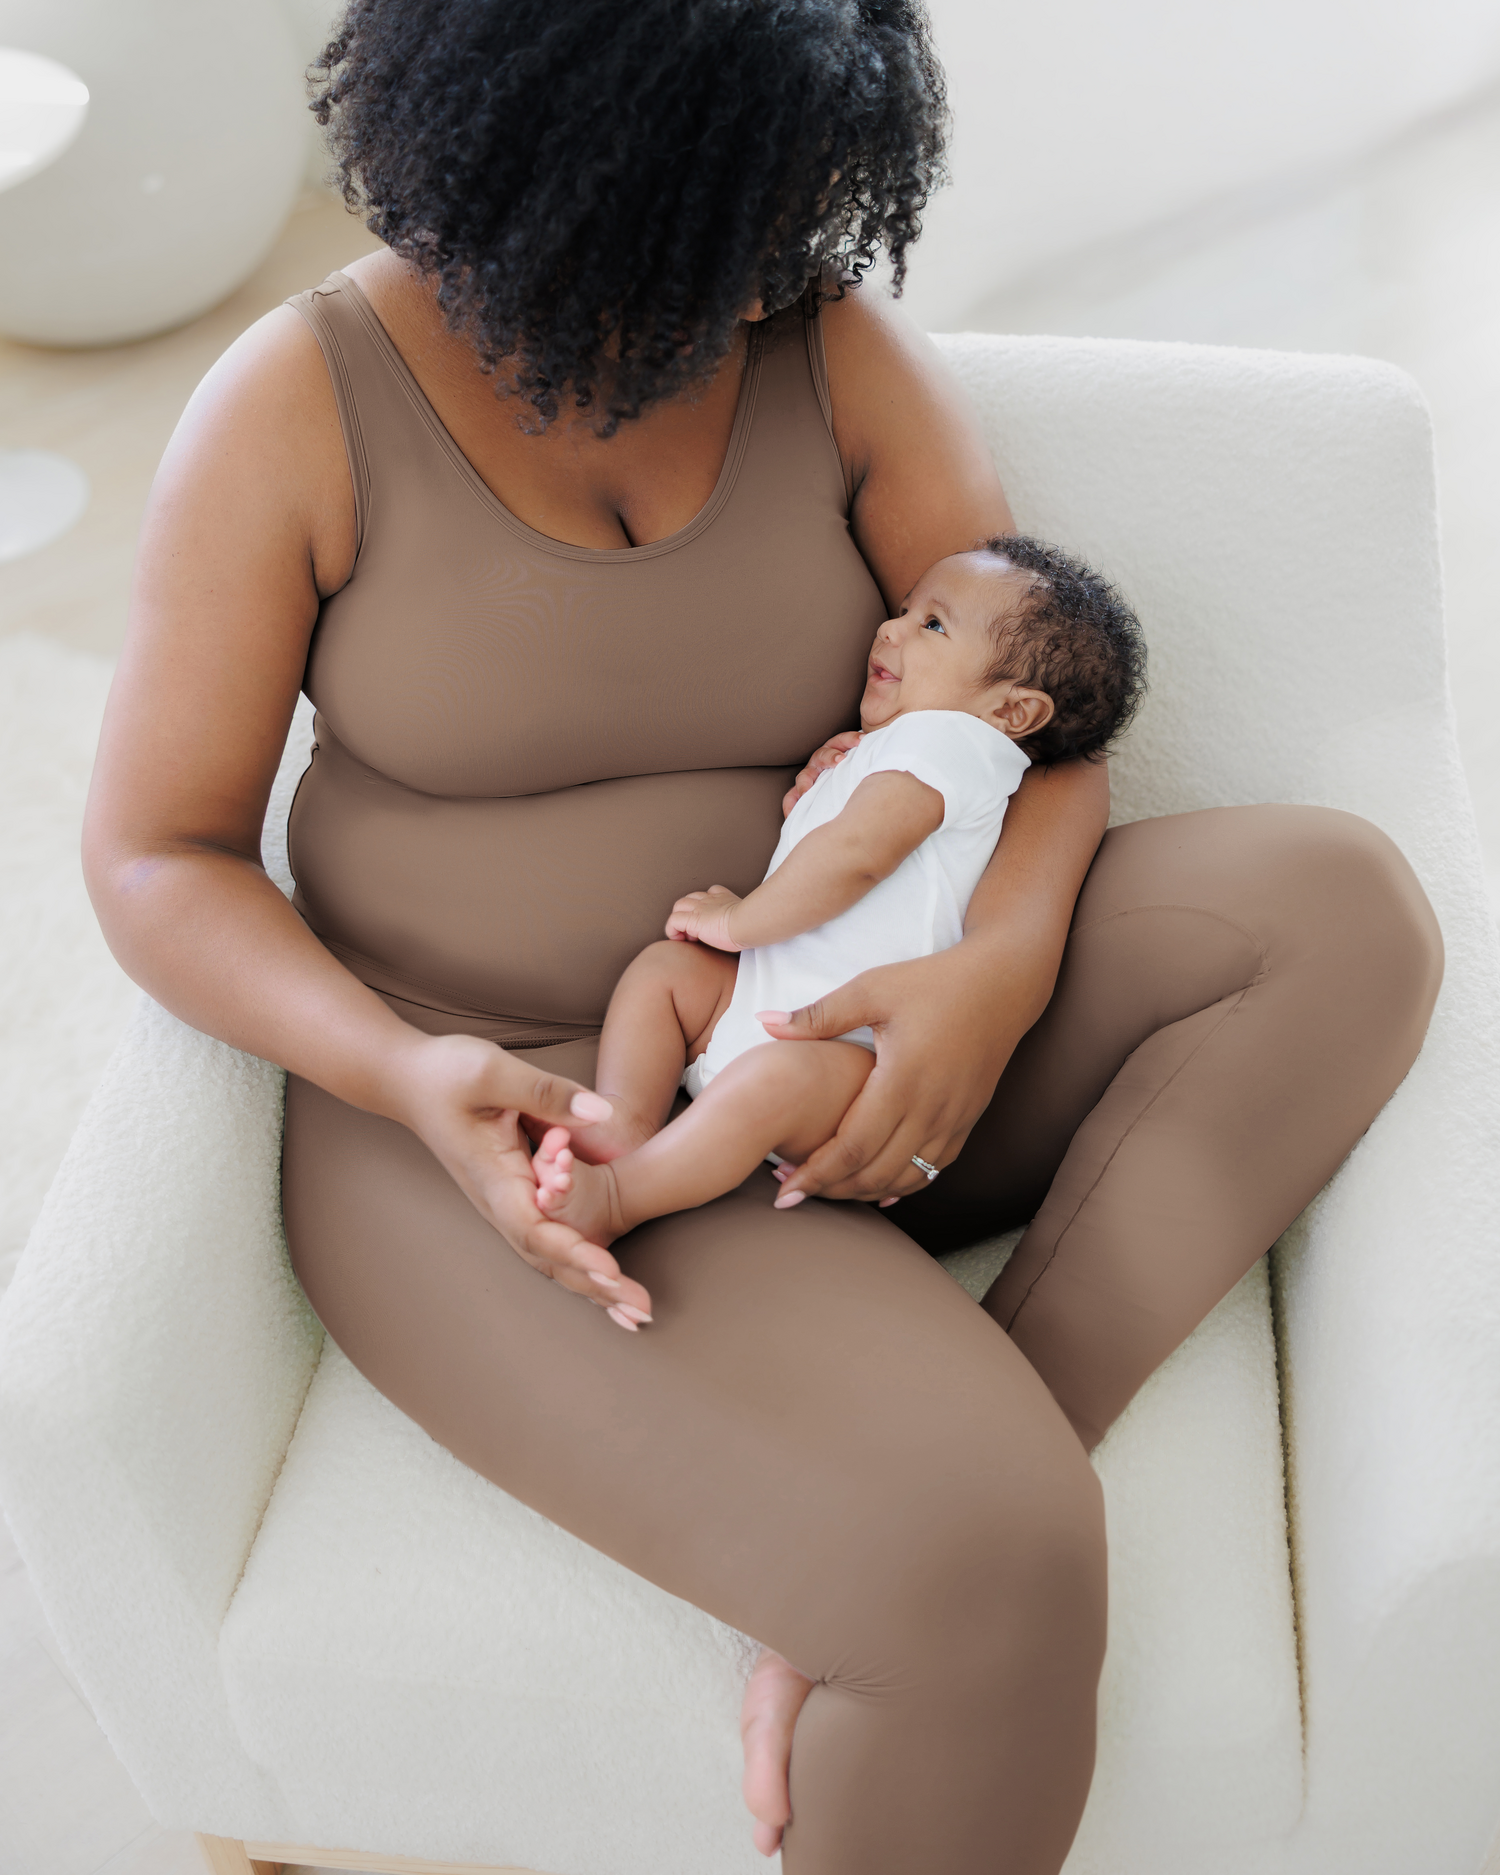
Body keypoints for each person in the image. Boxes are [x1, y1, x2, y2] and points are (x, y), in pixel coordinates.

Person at [79, 3, 1444, 1870]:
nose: (775, 280)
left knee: (1335, 910)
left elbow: (1035, 717)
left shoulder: (834, 344)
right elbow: (160, 855)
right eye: (725, 233)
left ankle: (928, 1484)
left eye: (802, 218)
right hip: (555, 1114)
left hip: (865, 1021)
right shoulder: (298, 405)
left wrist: (994, 975)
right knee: (994, 1573)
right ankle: (938, 1546)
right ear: (564, 181)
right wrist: (402, 1069)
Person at [528, 536, 1147, 1272]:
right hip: (765, 1000)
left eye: (933, 626)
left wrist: (737, 920)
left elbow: (853, 859)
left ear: (1012, 709)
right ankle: (625, 1119)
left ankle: (619, 1195)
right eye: (907, 608)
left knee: (760, 1072)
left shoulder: (953, 742)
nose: (892, 628)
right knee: (667, 971)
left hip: (848, 1057)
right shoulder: (912, 745)